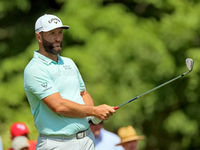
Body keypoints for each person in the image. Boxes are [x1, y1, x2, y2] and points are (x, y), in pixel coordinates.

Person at [24, 14, 115, 150]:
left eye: (60, 32)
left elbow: (83, 93)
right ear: (39, 37)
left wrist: (91, 117)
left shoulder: (69, 62)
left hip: (87, 139)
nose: (58, 38)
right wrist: (94, 111)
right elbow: (59, 106)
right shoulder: (34, 69)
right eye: (52, 33)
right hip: (57, 143)